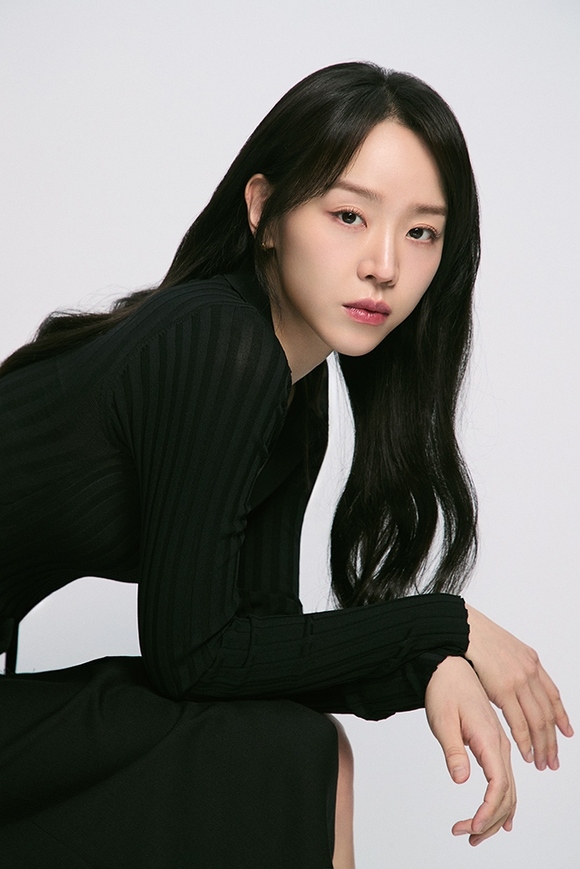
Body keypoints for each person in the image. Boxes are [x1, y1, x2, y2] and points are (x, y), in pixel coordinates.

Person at [0, 61, 572, 869]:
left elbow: (256, 641)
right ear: (264, 211)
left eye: (422, 232)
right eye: (348, 215)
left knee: (302, 744)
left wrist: (429, 665)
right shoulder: (221, 345)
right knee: (296, 756)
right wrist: (449, 626)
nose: (384, 264)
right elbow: (192, 655)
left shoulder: (293, 394)